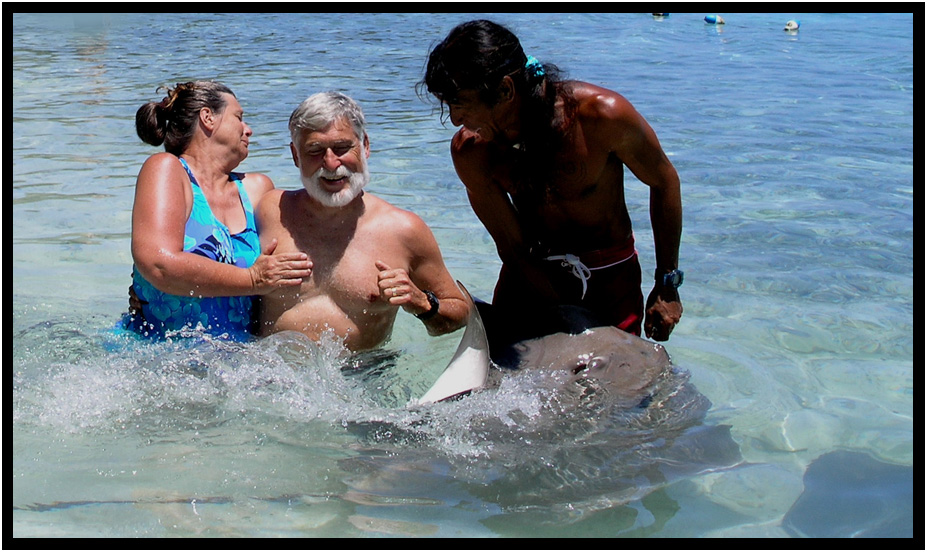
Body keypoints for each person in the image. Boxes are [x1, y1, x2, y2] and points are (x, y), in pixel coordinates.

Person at [420, 19, 684, 344]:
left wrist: (667, 282)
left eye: (460, 104)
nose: (456, 119)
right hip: (530, 276)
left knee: (622, 389)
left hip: (610, 277)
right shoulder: (472, 152)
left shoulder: (602, 117)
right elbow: (513, 248)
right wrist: (563, 317)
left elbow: (665, 181)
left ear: (505, 90)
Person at [255, 91, 469, 352]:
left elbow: (461, 314)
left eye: (343, 148)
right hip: (268, 373)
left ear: (365, 145)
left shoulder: (404, 230)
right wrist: (251, 276)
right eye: (315, 150)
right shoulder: (269, 210)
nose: (331, 163)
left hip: (366, 376)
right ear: (295, 155)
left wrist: (422, 303)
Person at [123, 81, 312, 340]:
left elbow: (290, 265)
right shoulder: (167, 169)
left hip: (240, 360)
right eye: (239, 117)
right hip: (160, 355)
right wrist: (252, 280)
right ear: (208, 117)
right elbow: (159, 264)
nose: (249, 130)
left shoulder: (257, 189)